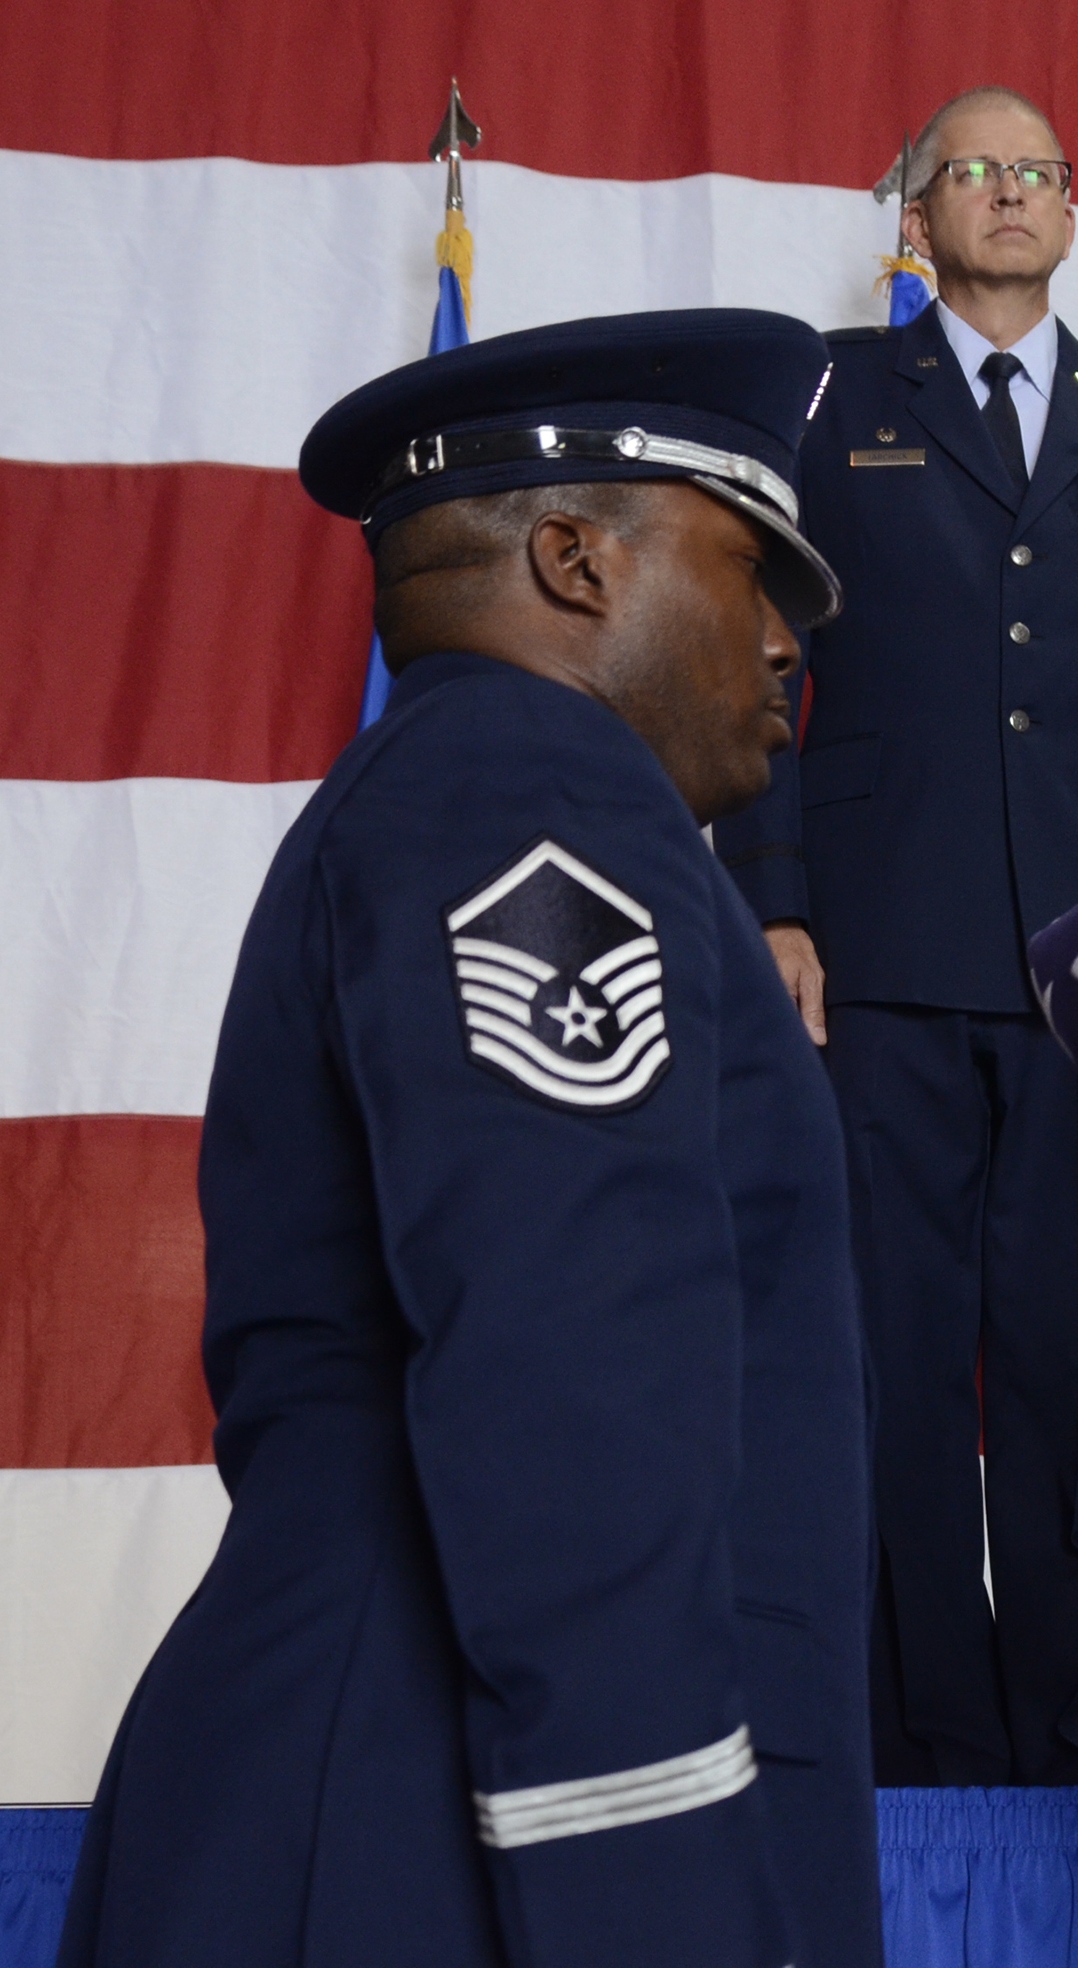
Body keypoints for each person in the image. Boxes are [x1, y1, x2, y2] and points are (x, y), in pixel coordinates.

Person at [55, 311, 880, 1968]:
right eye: (749, 575)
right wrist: (661, 1900)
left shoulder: (471, 794)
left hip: (394, 1801)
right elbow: (570, 1370)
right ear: (575, 558)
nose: (790, 643)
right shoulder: (533, 796)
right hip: (432, 1841)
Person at [713, 86, 1078, 1785]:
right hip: (875, 955)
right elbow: (756, 674)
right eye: (976, 171)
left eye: (1040, 172)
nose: (1010, 193)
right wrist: (779, 905)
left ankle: (1072, 1746)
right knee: (889, 1366)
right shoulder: (824, 399)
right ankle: (923, 1746)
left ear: (1074, 215)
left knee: (1076, 1369)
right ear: (917, 213)